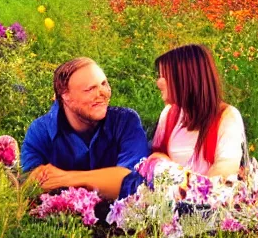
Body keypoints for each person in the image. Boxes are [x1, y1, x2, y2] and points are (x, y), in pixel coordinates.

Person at [21, 57, 149, 199]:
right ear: (65, 96)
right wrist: (108, 180)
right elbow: (32, 186)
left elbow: (133, 182)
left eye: (104, 84)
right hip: (63, 219)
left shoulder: (125, 121)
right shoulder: (40, 131)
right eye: (90, 89)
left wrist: (65, 179)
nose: (103, 93)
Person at [149, 44, 245, 178]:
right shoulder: (169, 114)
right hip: (171, 197)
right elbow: (156, 156)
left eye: (163, 76)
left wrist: (184, 185)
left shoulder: (227, 116)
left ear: (184, 79)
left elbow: (224, 173)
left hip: (209, 197)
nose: (158, 82)